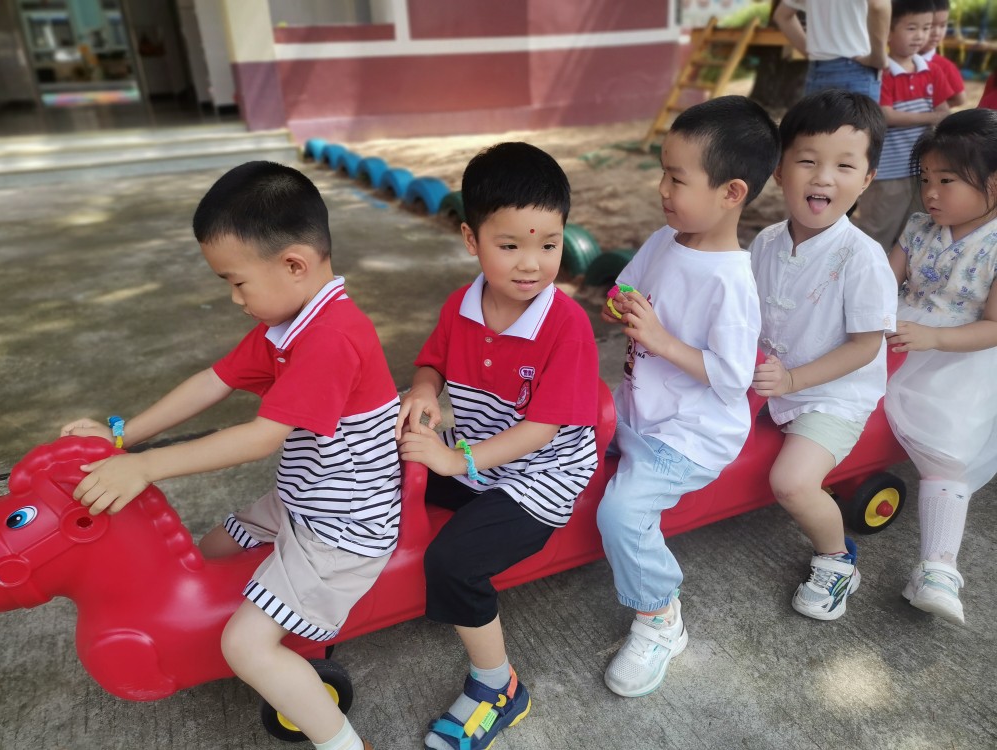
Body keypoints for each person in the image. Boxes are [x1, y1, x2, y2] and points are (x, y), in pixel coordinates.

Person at [61, 161, 399, 750]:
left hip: (345, 527)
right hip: (303, 500)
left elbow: (261, 437)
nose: (235, 298)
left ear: (293, 264)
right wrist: (122, 437)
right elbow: (212, 381)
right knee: (207, 551)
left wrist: (145, 466)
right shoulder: (286, 324)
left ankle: (343, 743)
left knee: (244, 645)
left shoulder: (332, 337)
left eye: (237, 282)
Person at [396, 142, 600, 749]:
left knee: (453, 562)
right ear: (471, 239)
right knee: (383, 465)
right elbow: (432, 363)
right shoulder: (461, 307)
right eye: (509, 246)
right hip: (479, 453)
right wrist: (424, 391)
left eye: (549, 245)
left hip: (543, 472)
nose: (531, 264)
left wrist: (452, 459)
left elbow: (542, 432)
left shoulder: (566, 324)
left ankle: (498, 685)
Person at [596, 95, 778, 697]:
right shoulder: (665, 238)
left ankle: (660, 616)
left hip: (689, 435)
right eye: (663, 173)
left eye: (677, 178)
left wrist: (660, 340)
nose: (662, 189)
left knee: (621, 513)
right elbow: (627, 287)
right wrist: (620, 304)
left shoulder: (732, 281)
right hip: (636, 408)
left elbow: (732, 377)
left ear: (731, 192)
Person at [749, 90, 898, 621]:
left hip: (833, 394)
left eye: (844, 166)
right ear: (778, 170)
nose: (823, 178)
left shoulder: (862, 258)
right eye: (808, 161)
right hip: (771, 378)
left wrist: (793, 382)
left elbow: (865, 346)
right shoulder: (766, 242)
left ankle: (837, 559)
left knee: (790, 483)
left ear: (867, 178)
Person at [884, 109, 997, 625]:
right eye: (925, 178)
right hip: (899, 332)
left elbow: (993, 326)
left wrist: (935, 339)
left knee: (944, 452)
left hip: (959, 355)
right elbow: (883, 282)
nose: (930, 193)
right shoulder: (918, 227)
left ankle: (938, 566)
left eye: (946, 180)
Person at [854, 0, 956, 253]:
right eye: (912, 28)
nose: (920, 35)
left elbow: (944, 111)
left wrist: (936, 116)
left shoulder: (933, 71)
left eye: (926, 28)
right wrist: (931, 117)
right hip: (888, 173)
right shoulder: (881, 72)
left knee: (918, 231)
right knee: (876, 231)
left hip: (924, 171)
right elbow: (886, 115)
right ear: (887, 31)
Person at [773, 0, 892, 99]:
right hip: (857, 70)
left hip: (817, 71)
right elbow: (878, 5)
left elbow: (782, 16)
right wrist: (878, 57)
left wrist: (813, 53)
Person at [920, 0, 966, 108]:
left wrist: (929, 111)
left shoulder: (945, 66)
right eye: (930, 26)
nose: (937, 32)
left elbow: (960, 99)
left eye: (943, 25)